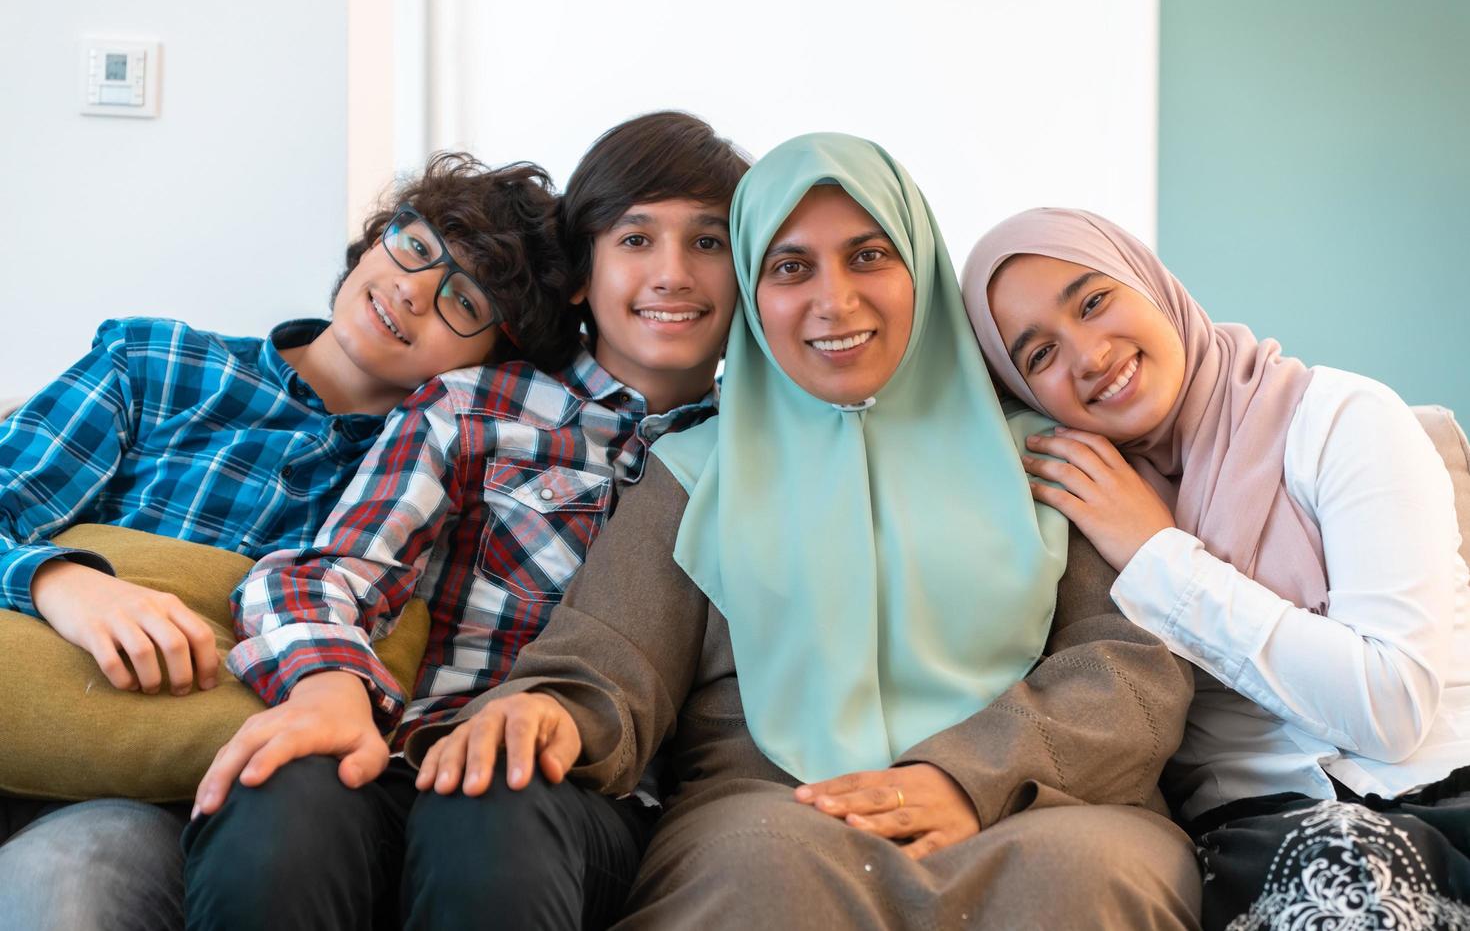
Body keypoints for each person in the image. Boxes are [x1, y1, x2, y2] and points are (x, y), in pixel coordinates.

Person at [408, 134, 1202, 930]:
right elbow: (611, 655)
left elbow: (1129, 669)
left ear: (921, 267)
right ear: (753, 297)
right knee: (757, 869)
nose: (836, 301)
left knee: (1085, 877)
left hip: (1044, 803)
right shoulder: (692, 472)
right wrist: (550, 709)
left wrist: (967, 776)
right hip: (778, 808)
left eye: (868, 257)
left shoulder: (1050, 454)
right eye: (791, 268)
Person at [182, 111, 750, 931]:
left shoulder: (760, 455)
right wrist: (330, 687)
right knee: (288, 782)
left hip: (582, 802)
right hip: (409, 755)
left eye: (708, 243)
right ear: (583, 272)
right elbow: (322, 576)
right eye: (635, 240)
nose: (672, 274)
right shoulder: (474, 409)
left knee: (493, 797)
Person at [0, 153, 574, 931]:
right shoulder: (161, 364)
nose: (414, 288)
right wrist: (67, 583)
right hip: (26, 705)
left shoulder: (435, 488)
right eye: (414, 246)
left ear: (494, 366)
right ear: (375, 242)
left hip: (177, 803)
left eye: (463, 299)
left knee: (68, 881)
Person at [962, 207, 1470, 930]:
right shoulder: (1071, 507)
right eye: (1038, 354)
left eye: (1094, 300)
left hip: (1448, 790)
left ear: (1148, 282)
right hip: (1265, 835)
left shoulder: (1340, 420)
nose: (1089, 355)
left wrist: (1157, 555)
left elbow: (1389, 709)